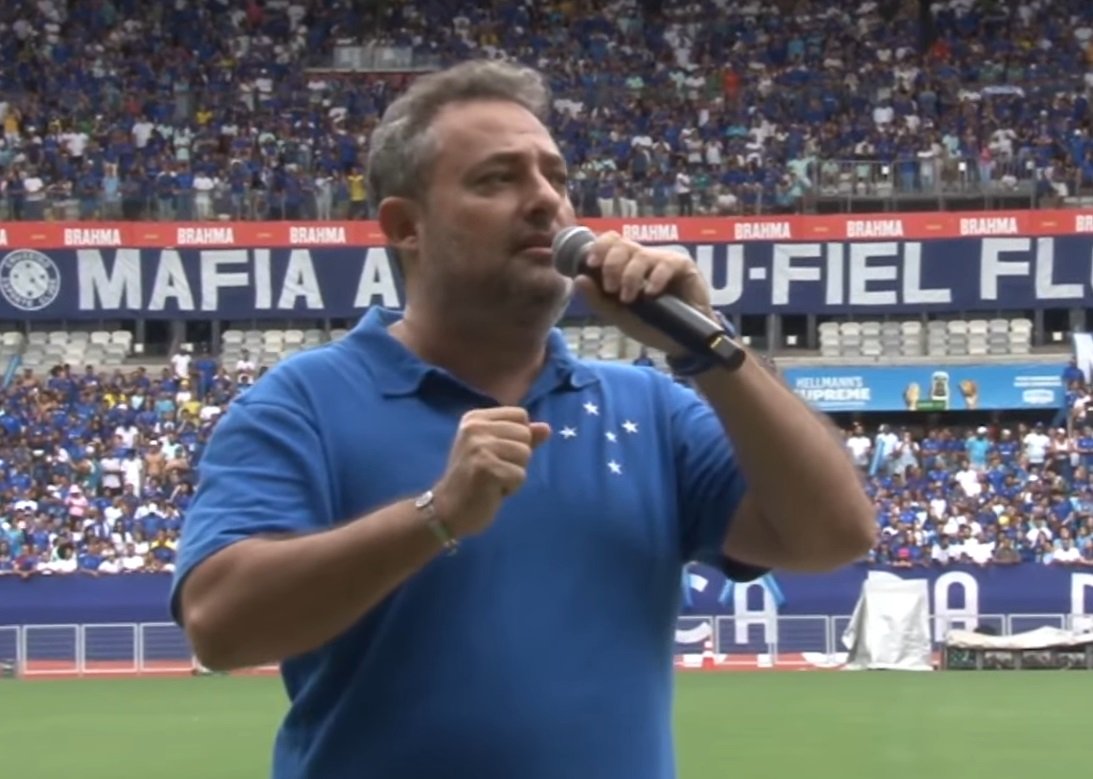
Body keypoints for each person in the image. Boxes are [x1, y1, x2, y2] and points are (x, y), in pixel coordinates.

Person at [171, 60, 874, 779]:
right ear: (406, 227)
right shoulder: (302, 403)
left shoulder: (650, 407)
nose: (545, 200)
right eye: (497, 179)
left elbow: (837, 534)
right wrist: (436, 515)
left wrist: (708, 344)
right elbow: (219, 627)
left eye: (556, 178)